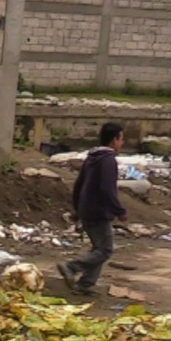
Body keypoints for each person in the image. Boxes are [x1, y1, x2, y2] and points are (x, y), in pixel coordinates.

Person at [58, 122, 127, 296]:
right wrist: (119, 211)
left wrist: (77, 208)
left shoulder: (92, 157)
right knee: (105, 250)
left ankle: (85, 284)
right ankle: (71, 267)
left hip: (86, 208)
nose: (122, 143)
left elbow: (78, 184)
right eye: (121, 139)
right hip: (98, 211)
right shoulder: (108, 160)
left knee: (98, 248)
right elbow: (107, 189)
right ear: (114, 140)